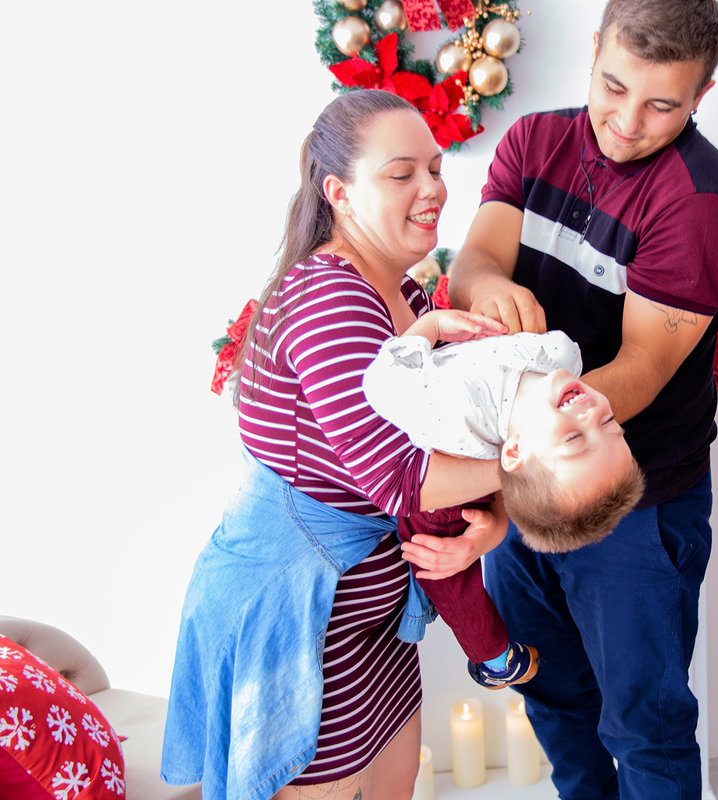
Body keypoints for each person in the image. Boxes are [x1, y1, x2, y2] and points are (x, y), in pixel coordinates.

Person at [161, 90, 511, 800]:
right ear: (339, 192)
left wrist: (491, 525)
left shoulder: (410, 300)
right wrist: (530, 463)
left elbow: (456, 453)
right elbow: (405, 479)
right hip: (298, 627)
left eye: (437, 169)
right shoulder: (331, 299)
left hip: (374, 632)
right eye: (402, 172)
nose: (433, 189)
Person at [447, 1, 718, 797]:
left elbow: (646, 364)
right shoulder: (533, 141)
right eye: (613, 86)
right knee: (551, 690)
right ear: (593, 50)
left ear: (703, 94)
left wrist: (547, 414)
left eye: (662, 105)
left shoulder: (703, 207)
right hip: (527, 477)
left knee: (643, 725)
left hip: (639, 508)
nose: (626, 121)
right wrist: (485, 285)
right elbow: (478, 254)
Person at [363, 326, 646, 552]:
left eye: (573, 438)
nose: (592, 415)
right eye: (609, 422)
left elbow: (380, 384)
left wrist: (432, 326)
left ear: (515, 452)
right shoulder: (563, 356)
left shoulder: (457, 417)